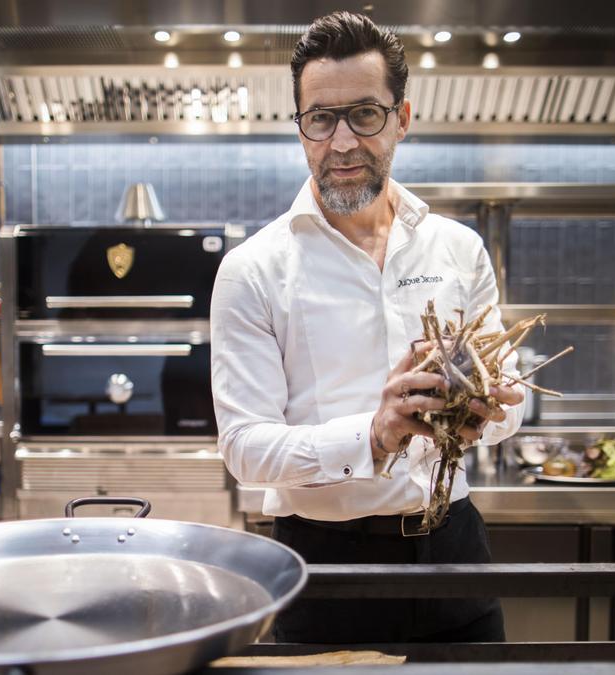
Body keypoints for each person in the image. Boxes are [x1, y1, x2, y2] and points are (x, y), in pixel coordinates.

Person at [209, 11, 525, 644]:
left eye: (365, 114)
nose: (343, 142)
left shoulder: (458, 249)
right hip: (325, 567)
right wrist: (373, 436)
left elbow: (511, 401)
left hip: (454, 548)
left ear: (401, 118)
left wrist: (490, 410)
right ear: (301, 128)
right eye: (321, 119)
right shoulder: (254, 270)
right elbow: (244, 449)